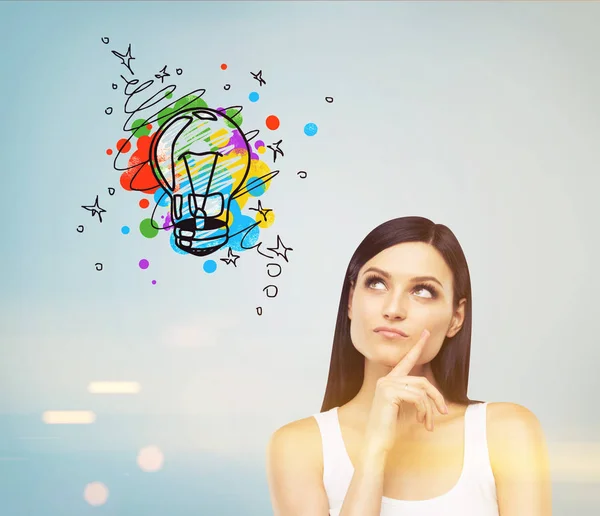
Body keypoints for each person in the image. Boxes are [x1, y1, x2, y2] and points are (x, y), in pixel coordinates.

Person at [266, 216, 552, 515]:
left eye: (423, 291)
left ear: (456, 317)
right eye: (376, 284)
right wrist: (374, 450)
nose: (393, 309)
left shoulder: (506, 432)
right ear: (351, 300)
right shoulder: (299, 447)